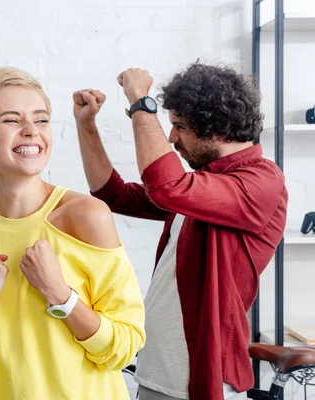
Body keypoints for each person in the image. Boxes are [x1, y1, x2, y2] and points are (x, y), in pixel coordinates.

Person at [73, 62, 288, 400]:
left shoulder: (260, 181)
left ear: (218, 130)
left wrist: (140, 103)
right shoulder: (203, 185)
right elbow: (112, 194)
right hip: (157, 374)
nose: (171, 138)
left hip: (197, 383)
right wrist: (86, 126)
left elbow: (165, 185)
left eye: (180, 127)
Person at [0, 67, 145, 400]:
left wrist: (61, 295)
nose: (31, 131)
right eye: (12, 120)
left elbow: (124, 347)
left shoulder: (86, 216)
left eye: (41, 120)